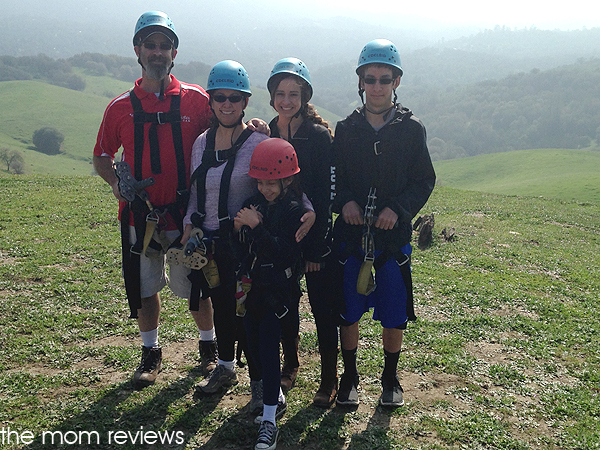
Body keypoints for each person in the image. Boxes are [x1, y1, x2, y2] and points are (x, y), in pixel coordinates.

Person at [93, 12, 266, 390]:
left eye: (164, 45)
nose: (158, 52)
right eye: (150, 45)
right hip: (140, 213)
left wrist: (253, 127)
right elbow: (102, 155)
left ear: (174, 51)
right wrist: (115, 184)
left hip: (189, 214)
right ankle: (151, 352)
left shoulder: (195, 100)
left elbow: (226, 119)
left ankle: (208, 347)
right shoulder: (119, 107)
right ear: (138, 50)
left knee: (200, 281)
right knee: (145, 285)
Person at [331, 39, 436, 408]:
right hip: (352, 238)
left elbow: (424, 179)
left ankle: (390, 378)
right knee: (349, 309)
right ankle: (350, 376)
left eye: (384, 78)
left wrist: (399, 209)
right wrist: (344, 201)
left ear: (396, 82)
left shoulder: (410, 130)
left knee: (393, 310)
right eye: (370, 78)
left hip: (392, 241)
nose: (376, 86)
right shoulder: (346, 130)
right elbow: (335, 178)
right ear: (360, 82)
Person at [181, 60, 269, 404]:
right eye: (220, 97)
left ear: (246, 102)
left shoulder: (258, 141)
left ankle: (261, 382)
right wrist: (190, 224)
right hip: (209, 244)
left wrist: (305, 213)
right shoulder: (201, 143)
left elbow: (278, 184)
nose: (227, 104)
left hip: (244, 244)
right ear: (211, 101)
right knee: (220, 306)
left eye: (235, 97)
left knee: (250, 310)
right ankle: (226, 366)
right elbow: (195, 192)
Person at [266, 58, 338, 407]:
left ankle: (329, 378)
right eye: (280, 93)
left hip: (314, 239)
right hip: (281, 234)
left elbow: (325, 197)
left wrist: (315, 250)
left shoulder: (319, 137)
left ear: (305, 95)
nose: (287, 100)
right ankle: (290, 363)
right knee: (286, 303)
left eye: (294, 94)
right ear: (271, 96)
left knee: (323, 309)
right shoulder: (268, 130)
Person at [234, 138, 306, 450]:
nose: (266, 188)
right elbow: (242, 245)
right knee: (251, 343)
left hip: (278, 292)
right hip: (253, 288)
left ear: (288, 179)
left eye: (272, 183)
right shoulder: (254, 204)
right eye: (261, 182)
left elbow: (283, 253)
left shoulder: (294, 212)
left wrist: (256, 227)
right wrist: (243, 228)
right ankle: (266, 397)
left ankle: (269, 422)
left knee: (267, 346)